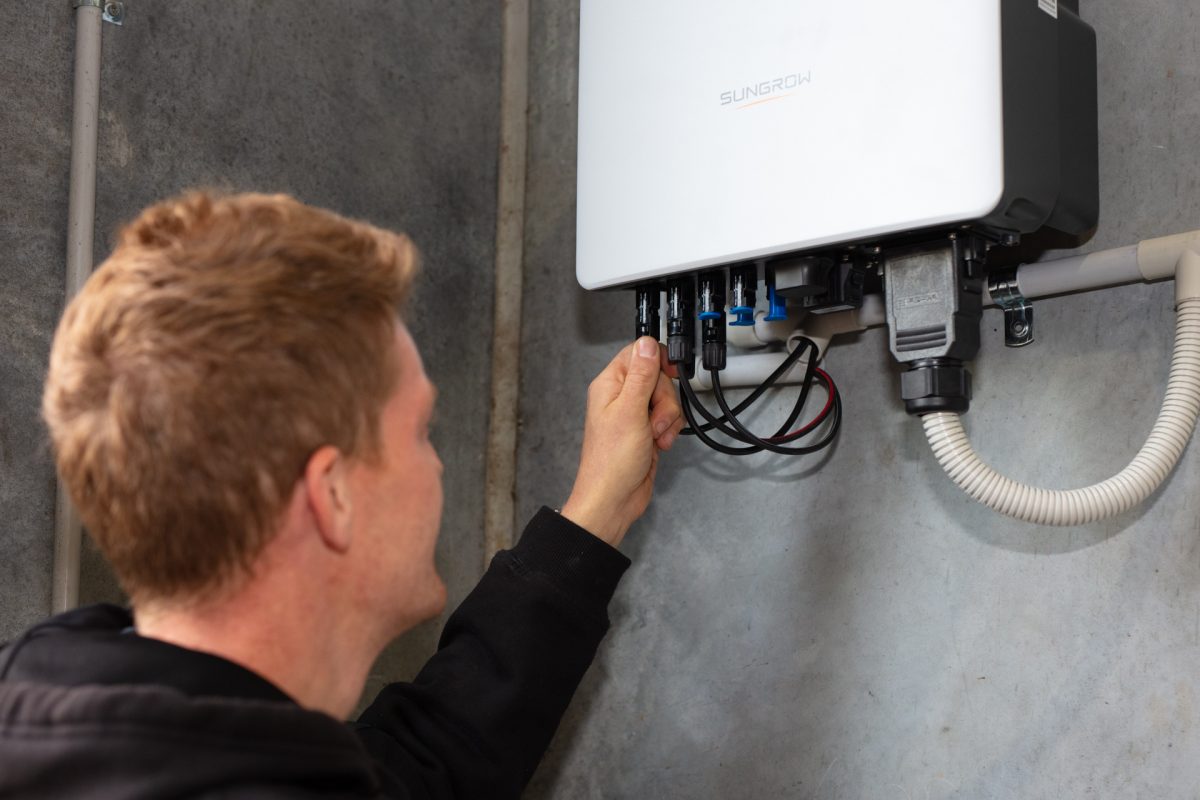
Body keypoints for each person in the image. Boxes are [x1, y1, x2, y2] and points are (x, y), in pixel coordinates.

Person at [0, 192, 684, 798]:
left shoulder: (76, 724)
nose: (438, 467)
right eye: (420, 432)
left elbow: (430, 764)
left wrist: (599, 510)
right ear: (332, 495)